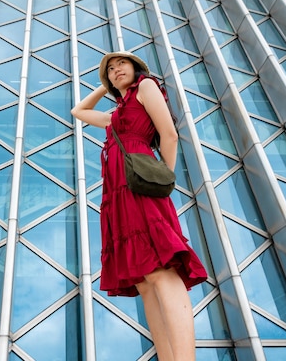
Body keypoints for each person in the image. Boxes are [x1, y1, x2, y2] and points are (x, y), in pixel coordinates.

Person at [71, 51, 207, 361]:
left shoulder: (145, 87)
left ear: (136, 68)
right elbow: (78, 110)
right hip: (118, 193)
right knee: (145, 282)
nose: (117, 69)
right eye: (111, 68)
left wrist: (164, 182)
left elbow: (169, 135)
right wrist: (107, 85)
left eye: (122, 64)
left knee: (161, 272)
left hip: (143, 187)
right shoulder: (116, 114)